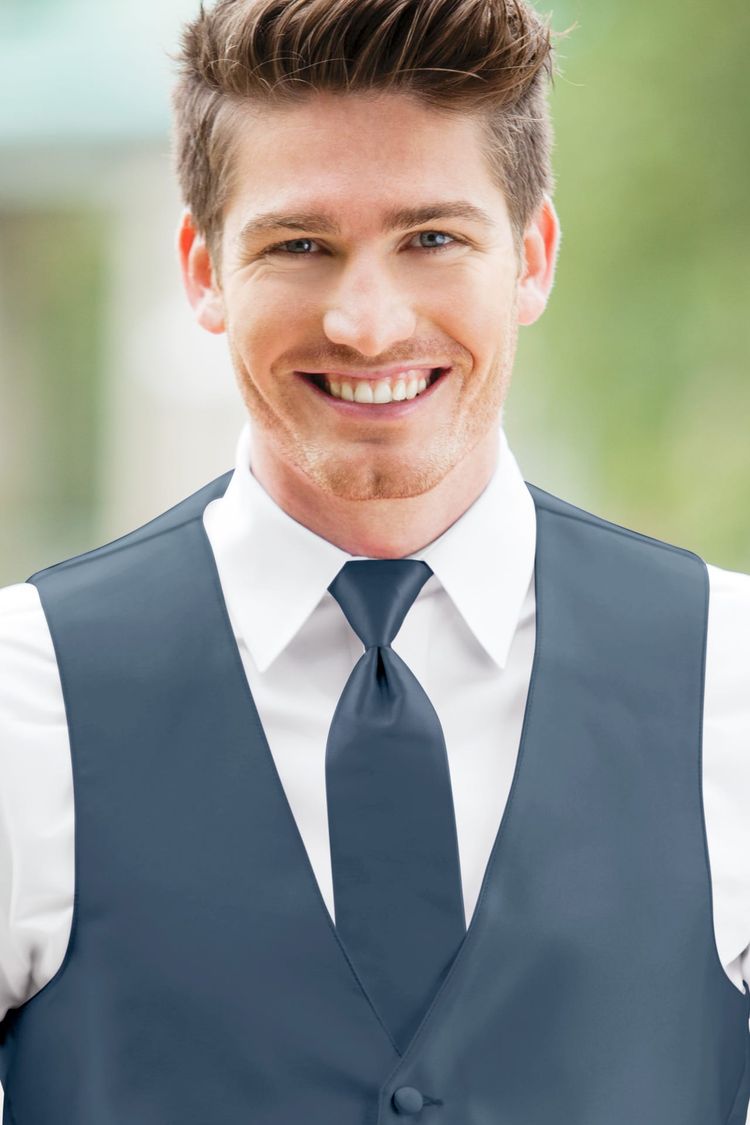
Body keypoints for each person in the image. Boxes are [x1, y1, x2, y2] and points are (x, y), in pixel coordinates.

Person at [1, 0, 749, 1120]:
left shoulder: (730, 676)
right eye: (300, 245)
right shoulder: (24, 698)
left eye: (432, 239)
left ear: (532, 257)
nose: (366, 322)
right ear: (204, 269)